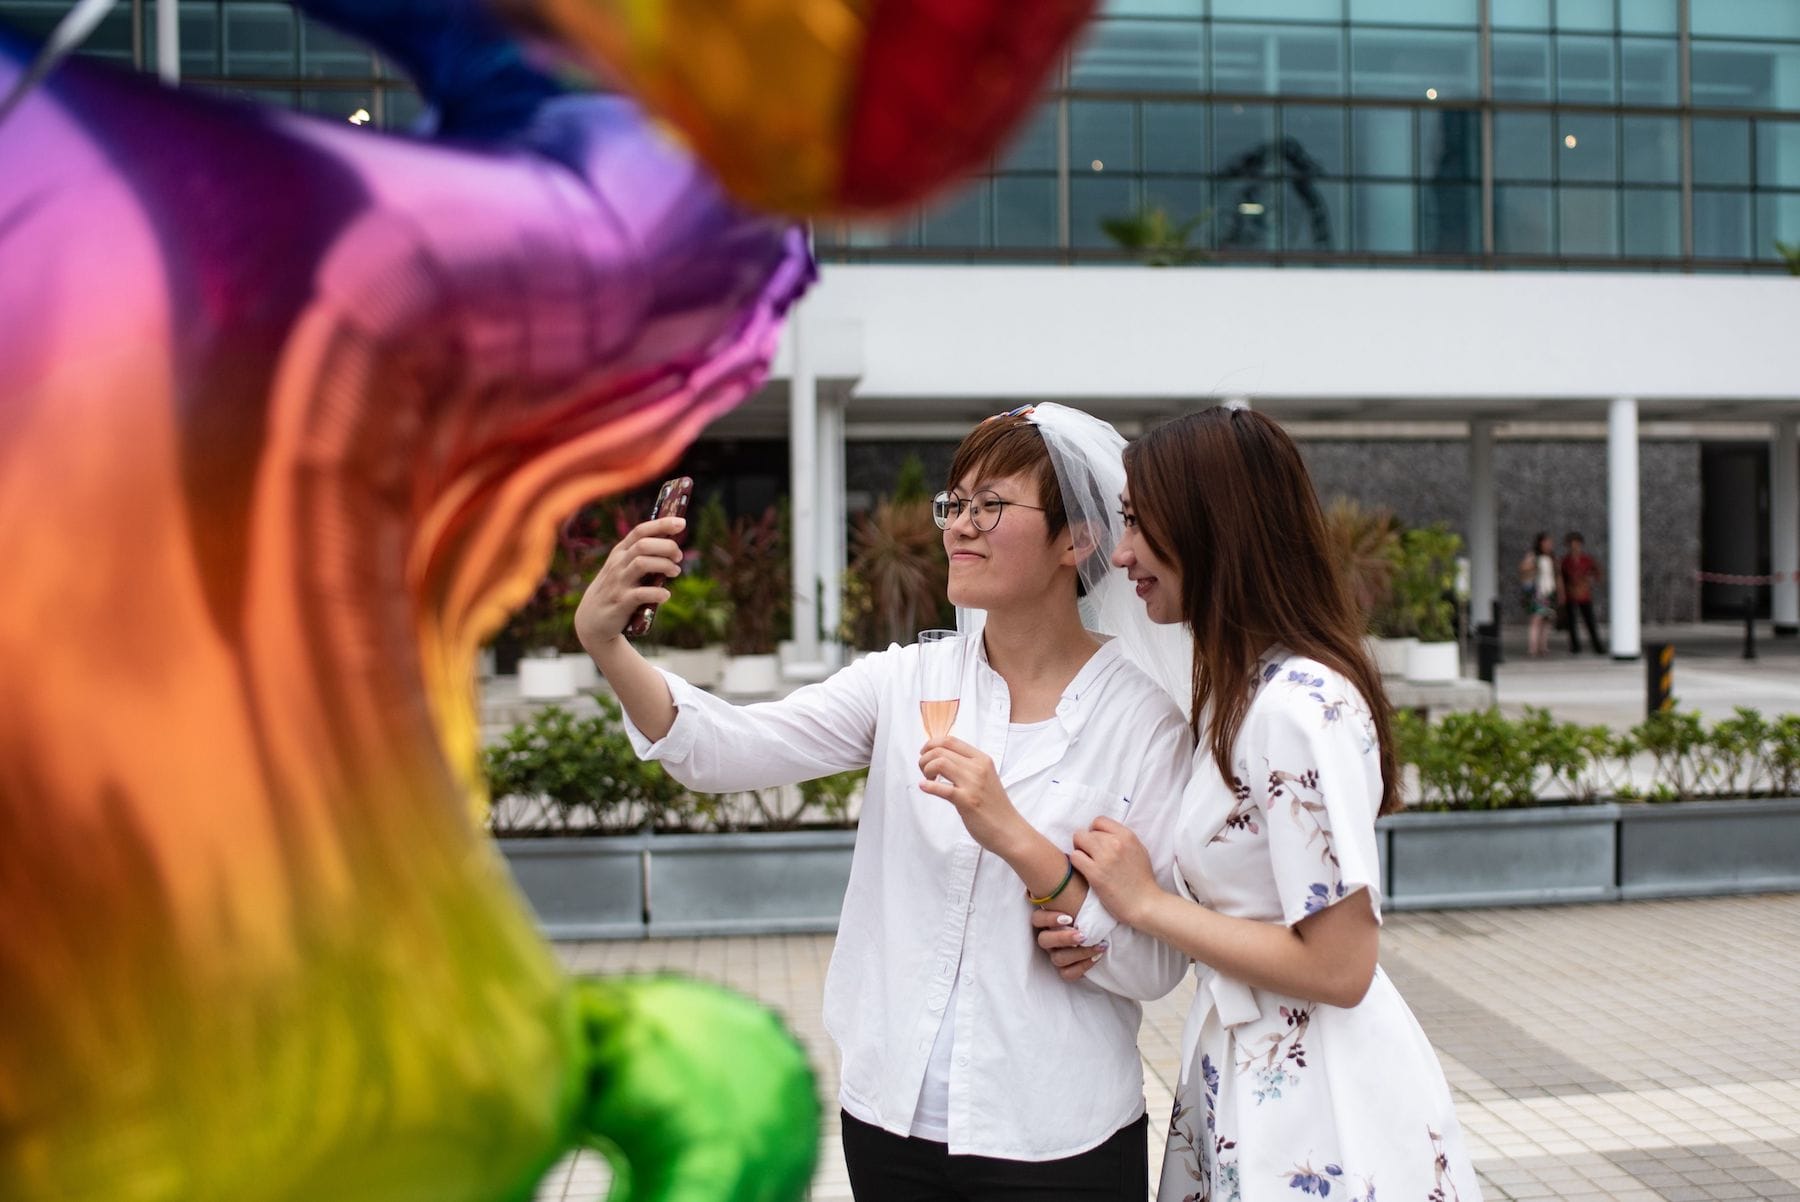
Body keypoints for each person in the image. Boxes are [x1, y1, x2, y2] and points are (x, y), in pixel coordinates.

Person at [573, 404, 1193, 1201]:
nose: (960, 527)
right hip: (890, 1121)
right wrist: (606, 644)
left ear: (1077, 538)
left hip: (1057, 1131)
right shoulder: (906, 682)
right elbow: (725, 749)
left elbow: (1154, 966)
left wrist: (1044, 870)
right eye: (954, 503)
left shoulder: (1143, 721)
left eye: (990, 505)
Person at [1032, 407, 1483, 1202]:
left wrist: (1141, 904)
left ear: (1215, 528)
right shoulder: (1244, 693)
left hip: (1319, 1104)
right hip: (1257, 1065)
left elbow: (1341, 966)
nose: (1123, 553)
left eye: (1139, 524)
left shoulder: (1292, 709)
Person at [1560, 532, 1604, 654]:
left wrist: (1590, 580)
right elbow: (1561, 578)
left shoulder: (1587, 559)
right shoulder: (1565, 561)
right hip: (1570, 594)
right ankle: (1575, 646)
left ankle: (1597, 645)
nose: (1575, 547)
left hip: (1584, 594)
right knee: (1571, 622)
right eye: (1572, 545)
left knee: (1590, 621)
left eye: (1577, 544)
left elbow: (1597, 572)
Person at [1518, 532, 1558, 658]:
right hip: (1538, 592)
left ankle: (1543, 646)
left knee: (1547, 620)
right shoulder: (1534, 556)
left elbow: (1557, 575)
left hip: (1549, 591)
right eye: (1546, 542)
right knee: (1536, 619)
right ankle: (1533, 647)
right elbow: (1523, 568)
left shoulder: (1552, 557)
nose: (1549, 545)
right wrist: (1533, 566)